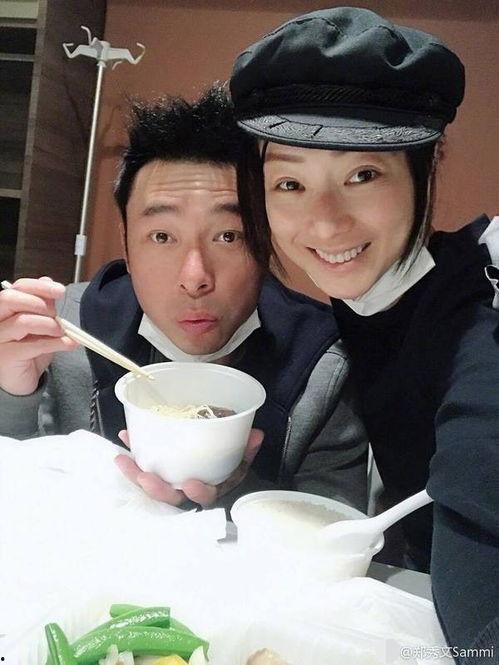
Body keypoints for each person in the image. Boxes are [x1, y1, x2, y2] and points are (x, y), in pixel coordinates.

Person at [229, 7, 499, 658]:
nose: (325, 223)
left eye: (363, 175)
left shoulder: (476, 313)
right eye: (289, 182)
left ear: (426, 168)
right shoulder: (364, 307)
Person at [0, 85, 368, 510]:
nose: (195, 279)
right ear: (126, 242)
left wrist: (239, 494)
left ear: (266, 241)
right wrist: (12, 393)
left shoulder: (324, 364)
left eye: (228, 236)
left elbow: (339, 526)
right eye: (162, 236)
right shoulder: (64, 330)